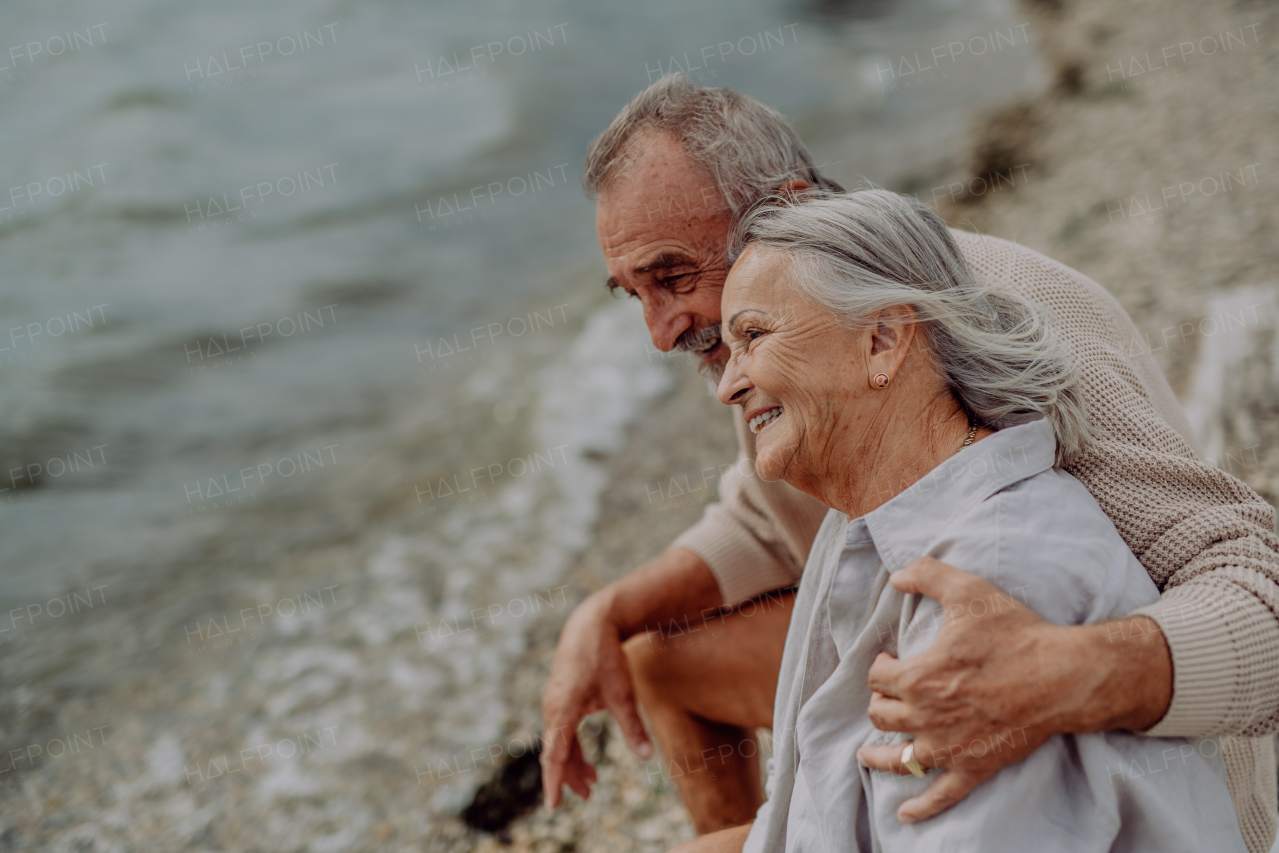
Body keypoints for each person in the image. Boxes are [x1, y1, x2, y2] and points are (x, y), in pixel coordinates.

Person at [540, 75, 1279, 853]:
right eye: (634, 294)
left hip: (1137, 751)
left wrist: (1059, 673)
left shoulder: (1008, 313)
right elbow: (762, 514)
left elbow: (1261, 587)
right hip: (926, 648)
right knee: (656, 658)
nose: (660, 333)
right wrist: (607, 610)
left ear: (786, 210)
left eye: (673, 276)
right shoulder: (782, 343)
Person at [693, 187, 1248, 853]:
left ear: (883, 340)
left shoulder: (991, 572)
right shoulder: (872, 524)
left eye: (753, 335)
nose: (729, 385)